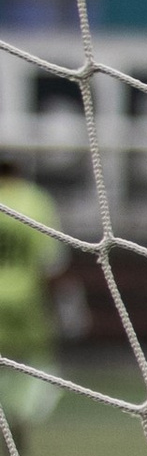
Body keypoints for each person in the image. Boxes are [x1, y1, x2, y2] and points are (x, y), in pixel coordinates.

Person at [0, 165, 65, 433]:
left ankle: (4, 410)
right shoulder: (35, 201)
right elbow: (50, 263)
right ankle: (20, 414)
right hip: (27, 298)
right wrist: (56, 305)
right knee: (34, 362)